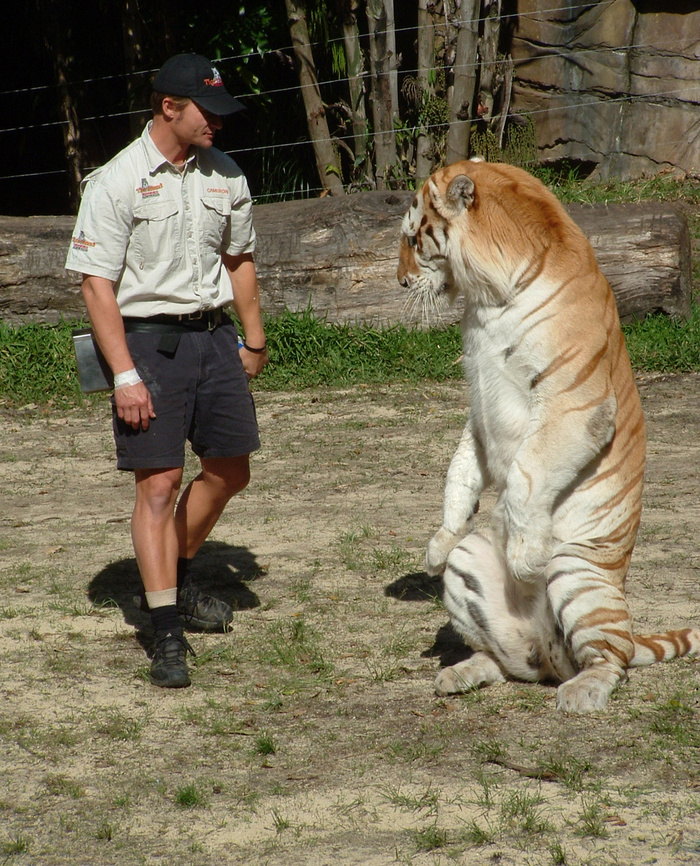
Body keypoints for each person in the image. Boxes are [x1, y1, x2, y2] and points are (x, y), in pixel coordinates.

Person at [65, 53, 269, 689]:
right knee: (157, 485)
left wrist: (255, 340)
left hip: (214, 340)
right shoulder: (116, 181)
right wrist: (123, 375)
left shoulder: (224, 174)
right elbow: (97, 287)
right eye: (208, 111)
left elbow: (238, 260)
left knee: (230, 468)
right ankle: (165, 630)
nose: (219, 123)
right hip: (147, 345)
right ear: (169, 108)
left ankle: (172, 576)